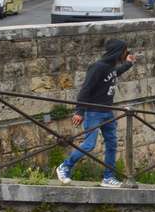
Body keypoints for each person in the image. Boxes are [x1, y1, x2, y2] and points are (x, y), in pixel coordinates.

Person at [56, 38, 137, 187]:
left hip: (108, 112)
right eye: (125, 51)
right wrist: (79, 111)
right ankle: (65, 167)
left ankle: (108, 177)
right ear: (118, 52)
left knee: (112, 144)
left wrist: (129, 63)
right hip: (93, 112)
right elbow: (85, 89)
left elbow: (115, 73)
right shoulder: (98, 67)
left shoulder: (110, 67)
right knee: (89, 144)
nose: (126, 53)